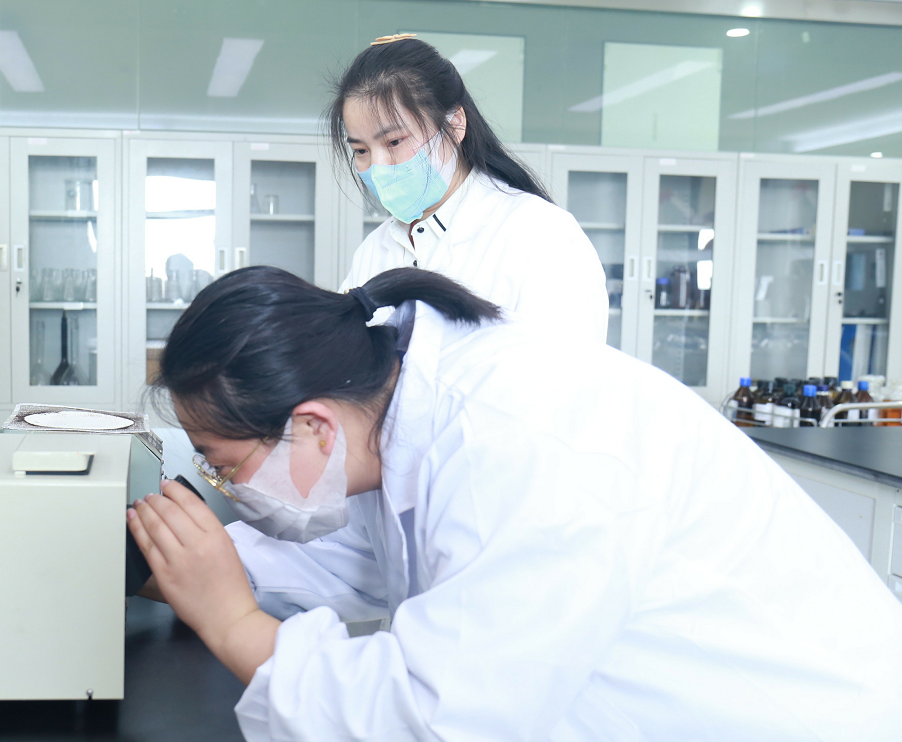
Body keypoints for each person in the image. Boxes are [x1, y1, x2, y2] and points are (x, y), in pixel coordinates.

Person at [128, 265, 902, 741]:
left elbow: (439, 718)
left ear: (313, 427)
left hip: (794, 716)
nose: (230, 489)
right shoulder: (398, 410)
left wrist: (234, 625)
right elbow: (357, 554)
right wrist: (167, 567)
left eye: (226, 467)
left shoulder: (520, 439)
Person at [332, 35, 608, 343]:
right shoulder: (375, 248)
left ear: (454, 125)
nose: (378, 166)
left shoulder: (542, 235)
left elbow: (567, 368)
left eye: (394, 141)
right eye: (361, 151)